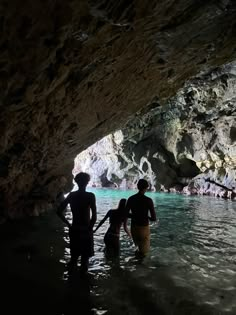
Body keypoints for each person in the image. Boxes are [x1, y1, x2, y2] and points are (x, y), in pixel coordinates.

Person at [57, 172, 97, 272]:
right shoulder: (90, 196)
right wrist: (90, 229)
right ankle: (83, 284)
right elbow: (94, 216)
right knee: (85, 260)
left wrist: (69, 225)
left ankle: (71, 282)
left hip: (74, 230)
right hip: (86, 230)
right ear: (87, 182)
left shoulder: (71, 195)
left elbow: (58, 211)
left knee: (73, 258)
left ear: (77, 182)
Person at [125, 179, 157, 258]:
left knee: (137, 248)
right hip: (144, 228)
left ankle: (135, 266)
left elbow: (125, 213)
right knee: (144, 253)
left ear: (137, 187)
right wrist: (146, 216)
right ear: (146, 187)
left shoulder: (131, 199)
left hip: (134, 228)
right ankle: (140, 268)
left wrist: (135, 216)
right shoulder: (148, 200)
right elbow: (153, 218)